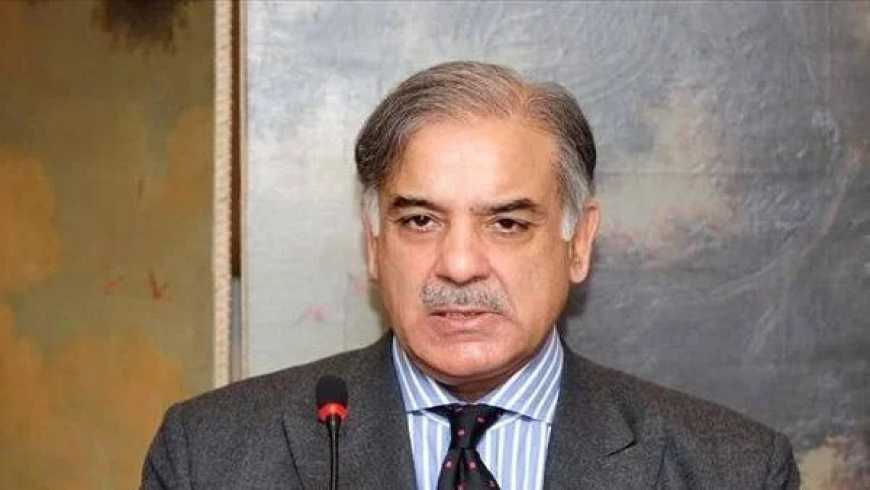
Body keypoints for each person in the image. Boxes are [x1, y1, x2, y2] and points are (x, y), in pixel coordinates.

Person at [142, 61, 799, 489]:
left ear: (578, 243)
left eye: (507, 223)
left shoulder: (733, 470)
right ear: (374, 244)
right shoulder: (210, 456)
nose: (458, 265)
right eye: (420, 220)